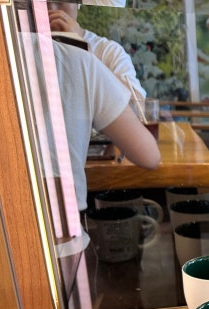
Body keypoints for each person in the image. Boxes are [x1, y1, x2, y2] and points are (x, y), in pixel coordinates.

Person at [23, 32, 160, 212]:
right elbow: (149, 156)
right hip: (62, 221)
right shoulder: (76, 59)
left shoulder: (103, 51)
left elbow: (137, 106)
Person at [48, 2, 146, 100]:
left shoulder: (107, 52)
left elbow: (136, 105)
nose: (51, 9)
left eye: (60, 2)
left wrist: (83, 50)